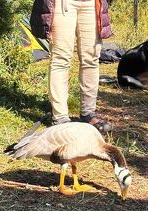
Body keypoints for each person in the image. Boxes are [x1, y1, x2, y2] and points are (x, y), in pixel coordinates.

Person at [30, 0, 112, 133]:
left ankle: (88, 113)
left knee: (91, 59)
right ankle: (60, 117)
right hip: (63, 3)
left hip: (91, 4)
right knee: (60, 59)